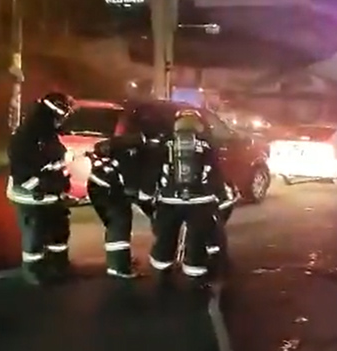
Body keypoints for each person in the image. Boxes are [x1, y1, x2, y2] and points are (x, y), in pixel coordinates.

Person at [141, 109, 229, 290]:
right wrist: (221, 197)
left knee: (166, 236)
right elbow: (216, 172)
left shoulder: (165, 142)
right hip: (201, 201)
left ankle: (161, 269)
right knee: (197, 238)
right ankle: (194, 273)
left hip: (169, 200)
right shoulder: (207, 144)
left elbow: (153, 169)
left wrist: (147, 193)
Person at [6, 92, 75, 285]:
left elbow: (56, 162)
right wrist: (40, 185)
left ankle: (58, 267)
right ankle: (35, 272)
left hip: (51, 195)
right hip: (31, 197)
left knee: (58, 232)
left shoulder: (48, 136)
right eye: (62, 116)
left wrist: (61, 184)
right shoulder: (25, 137)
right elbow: (22, 172)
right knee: (35, 235)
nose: (63, 121)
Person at [86, 133, 146, 279]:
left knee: (116, 223)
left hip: (100, 187)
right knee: (119, 223)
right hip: (107, 190)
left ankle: (120, 260)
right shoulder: (133, 153)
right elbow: (131, 185)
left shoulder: (125, 146)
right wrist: (145, 202)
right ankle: (118, 267)